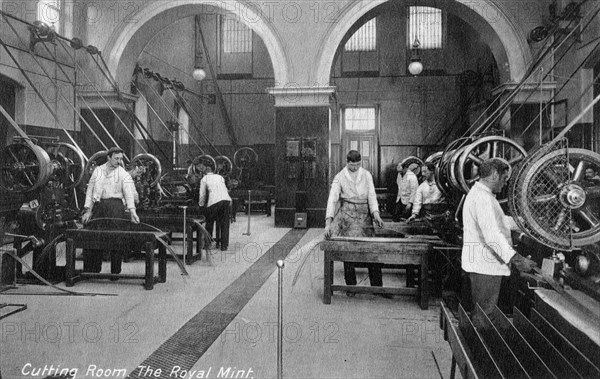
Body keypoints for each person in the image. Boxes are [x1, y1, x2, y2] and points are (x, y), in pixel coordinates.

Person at [462, 158, 536, 327]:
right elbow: (492, 236)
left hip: (484, 265)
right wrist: (517, 259)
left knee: (486, 313)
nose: (505, 184)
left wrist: (528, 223)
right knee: (484, 316)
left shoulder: (483, 196)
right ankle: (479, 350)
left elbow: (500, 221)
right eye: (504, 179)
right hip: (485, 267)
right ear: (495, 175)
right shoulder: (482, 198)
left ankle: (480, 347)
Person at [325, 150, 386, 297]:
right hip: (348, 215)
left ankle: (377, 287)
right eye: (352, 165)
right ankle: (351, 287)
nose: (355, 168)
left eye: (358, 165)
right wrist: (328, 222)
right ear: (347, 162)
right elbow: (332, 199)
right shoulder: (339, 177)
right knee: (348, 250)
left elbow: (371, 195)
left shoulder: (366, 174)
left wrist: (376, 214)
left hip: (365, 215)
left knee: (372, 250)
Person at [82, 147, 139, 275]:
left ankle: (115, 272)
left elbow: (129, 194)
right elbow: (91, 191)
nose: (119, 161)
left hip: (116, 207)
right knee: (96, 238)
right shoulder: (98, 171)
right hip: (100, 207)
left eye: (121, 159)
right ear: (109, 157)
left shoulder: (123, 174)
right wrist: (88, 210)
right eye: (116, 158)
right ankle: (94, 270)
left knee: (116, 240)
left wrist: (132, 212)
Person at [198, 160, 232, 251]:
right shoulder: (220, 177)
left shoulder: (204, 179)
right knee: (224, 223)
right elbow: (225, 189)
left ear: (205, 171)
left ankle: (207, 244)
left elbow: (202, 195)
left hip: (215, 201)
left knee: (209, 221)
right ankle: (224, 245)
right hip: (226, 200)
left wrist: (201, 206)